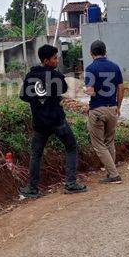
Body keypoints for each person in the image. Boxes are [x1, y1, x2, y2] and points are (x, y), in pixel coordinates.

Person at [18, 44, 87, 198]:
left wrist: (37, 100)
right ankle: (70, 184)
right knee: (71, 147)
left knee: (36, 154)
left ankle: (32, 188)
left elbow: (23, 96)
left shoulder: (30, 76)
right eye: (55, 58)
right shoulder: (55, 76)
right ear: (46, 60)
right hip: (57, 121)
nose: (57, 60)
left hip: (39, 123)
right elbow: (62, 89)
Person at [84, 40, 124, 183]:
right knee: (109, 141)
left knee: (99, 144)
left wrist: (85, 90)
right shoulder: (115, 67)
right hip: (112, 108)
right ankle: (110, 173)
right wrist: (118, 106)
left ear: (91, 53)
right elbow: (121, 88)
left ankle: (113, 175)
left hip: (97, 110)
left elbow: (90, 91)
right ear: (105, 52)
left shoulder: (90, 69)